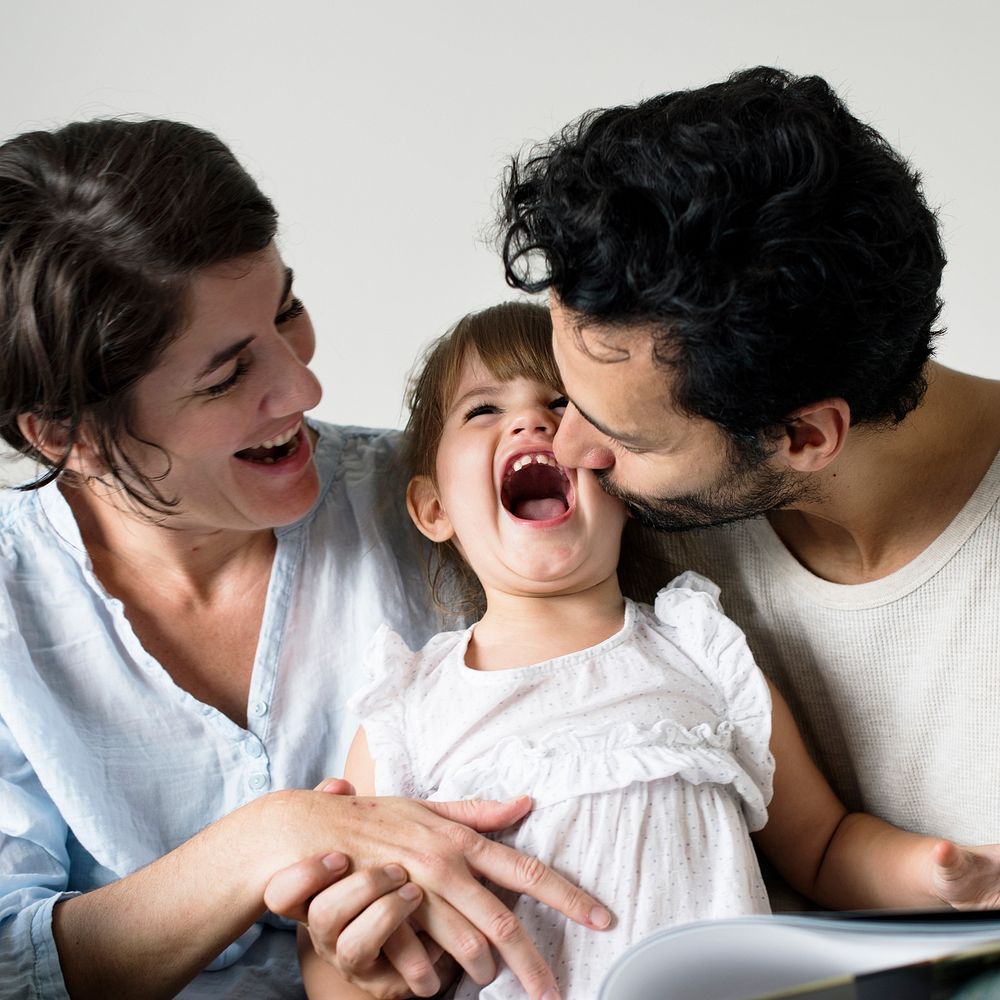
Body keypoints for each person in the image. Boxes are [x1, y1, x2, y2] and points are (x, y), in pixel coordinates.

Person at [0, 118, 612, 1000]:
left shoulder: (449, 508)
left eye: (287, 310)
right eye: (224, 377)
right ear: (71, 435)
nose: (303, 388)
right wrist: (273, 836)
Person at [290, 301, 1000, 1000]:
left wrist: (935, 872)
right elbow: (349, 950)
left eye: (564, 404)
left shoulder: (703, 649)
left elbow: (823, 846)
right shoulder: (408, 712)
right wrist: (352, 973)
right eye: (483, 411)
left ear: (621, 479)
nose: (535, 423)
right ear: (433, 509)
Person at [496, 66, 1000, 902]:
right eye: (564, 395)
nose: (571, 448)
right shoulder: (594, 532)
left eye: (623, 435)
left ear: (805, 436)